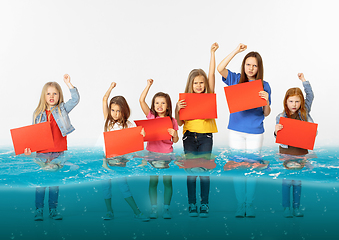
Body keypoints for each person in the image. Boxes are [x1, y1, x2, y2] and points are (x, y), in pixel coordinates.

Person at [217, 43, 271, 218]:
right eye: (248, 64)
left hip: (255, 131)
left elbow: (267, 113)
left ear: (259, 68)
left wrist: (266, 101)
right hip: (236, 130)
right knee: (239, 167)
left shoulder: (264, 85)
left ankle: (250, 203)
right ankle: (241, 205)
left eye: (255, 65)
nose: (251, 68)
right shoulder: (235, 79)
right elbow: (220, 68)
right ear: (244, 65)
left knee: (253, 168)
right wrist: (236, 51)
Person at [24, 74, 80, 221]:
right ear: (44, 96)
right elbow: (33, 135)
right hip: (42, 153)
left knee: (54, 184)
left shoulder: (62, 109)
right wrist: (29, 149)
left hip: (58, 153)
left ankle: (53, 210)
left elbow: (75, 100)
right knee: (41, 183)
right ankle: (39, 210)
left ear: (59, 95)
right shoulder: (37, 114)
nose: (51, 96)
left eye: (55, 93)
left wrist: (69, 84)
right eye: (48, 93)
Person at [175, 43, 218, 218]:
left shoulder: (208, 97)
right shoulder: (185, 100)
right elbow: (178, 123)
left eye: (201, 83)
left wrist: (212, 54)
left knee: (205, 171)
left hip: (206, 136)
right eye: (196, 83)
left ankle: (205, 203)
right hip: (189, 137)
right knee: (191, 172)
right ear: (191, 84)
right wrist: (177, 109)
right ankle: (192, 203)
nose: (199, 85)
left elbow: (212, 74)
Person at [102, 82, 149, 222]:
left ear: (124, 110)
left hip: (121, 161)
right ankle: (109, 212)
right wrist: (110, 87)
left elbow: (136, 142)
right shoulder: (107, 121)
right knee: (106, 188)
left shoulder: (128, 125)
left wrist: (143, 134)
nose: (115, 114)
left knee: (124, 187)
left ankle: (137, 211)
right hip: (107, 160)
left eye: (118, 111)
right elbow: (104, 99)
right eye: (113, 110)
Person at [274, 73, 314, 218]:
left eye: (297, 101)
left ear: (301, 103)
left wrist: (304, 81)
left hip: (300, 152)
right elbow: (278, 137)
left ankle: (296, 208)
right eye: (291, 101)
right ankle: (286, 208)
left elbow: (310, 95)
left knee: (297, 182)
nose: (294, 105)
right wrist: (276, 131)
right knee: (286, 181)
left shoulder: (304, 113)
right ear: (286, 102)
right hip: (286, 152)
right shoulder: (281, 116)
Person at [139, 79, 179, 219]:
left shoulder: (172, 120)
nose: (160, 105)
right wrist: (148, 85)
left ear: (168, 105)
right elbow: (141, 100)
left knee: (167, 182)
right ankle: (154, 208)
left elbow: (175, 140)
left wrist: (174, 134)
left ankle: (166, 209)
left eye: (163, 103)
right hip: (151, 154)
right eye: (157, 103)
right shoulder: (151, 117)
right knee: (153, 182)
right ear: (153, 105)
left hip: (167, 155)